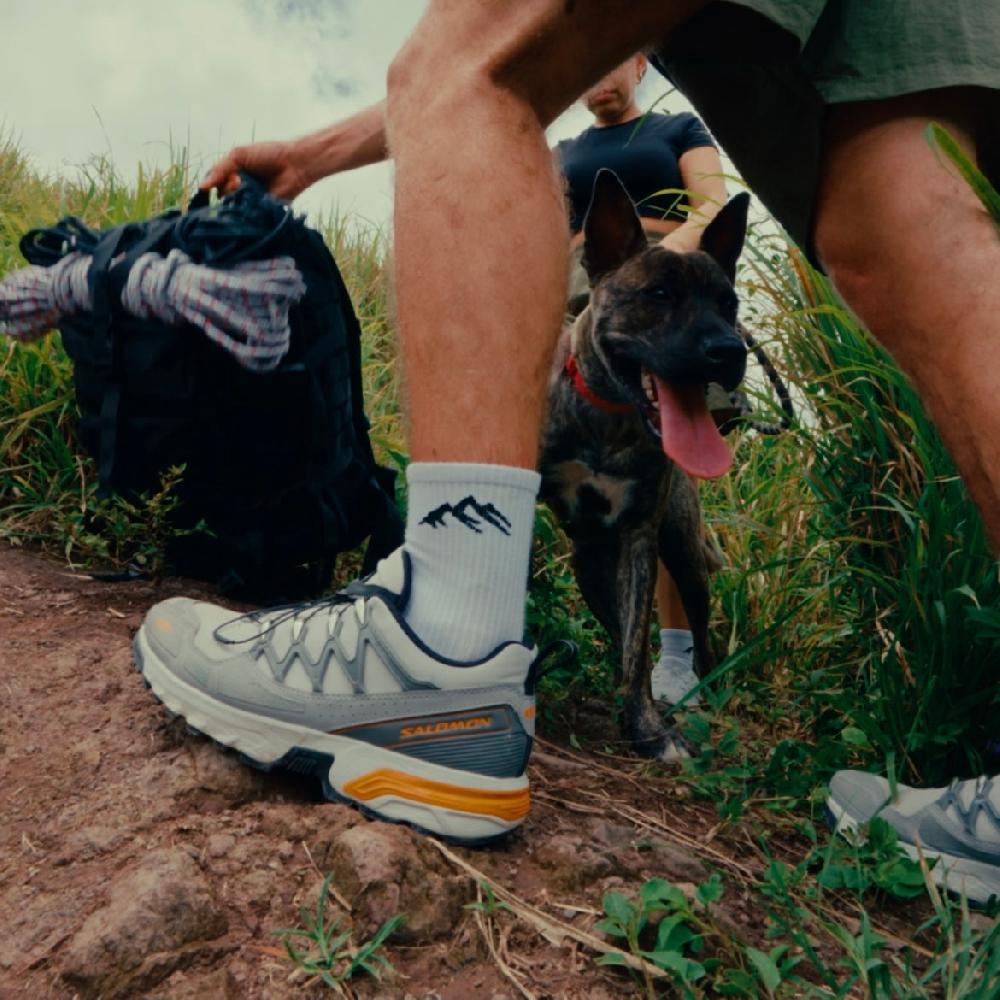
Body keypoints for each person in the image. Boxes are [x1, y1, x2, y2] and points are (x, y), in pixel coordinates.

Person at [134, 0, 1000, 899]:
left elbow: (499, 63)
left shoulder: (671, 131)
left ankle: (443, 654)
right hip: (593, 347)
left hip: (644, 317)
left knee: (465, 70)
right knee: (901, 215)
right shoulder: (572, 168)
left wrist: (667, 271)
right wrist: (313, 159)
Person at [554, 51, 729, 707]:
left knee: (662, 480)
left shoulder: (676, 130)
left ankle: (680, 656)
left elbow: (711, 207)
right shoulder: (565, 149)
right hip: (578, 305)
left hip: (665, 301)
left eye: (610, 59)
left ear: (638, 65)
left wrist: (650, 269)